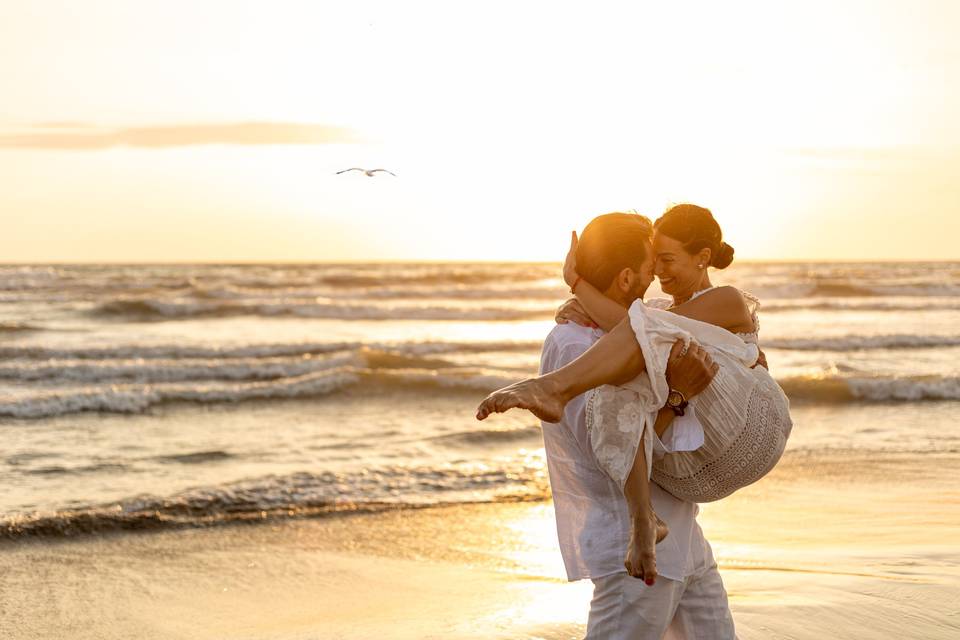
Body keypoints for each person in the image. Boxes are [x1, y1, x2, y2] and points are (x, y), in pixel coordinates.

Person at [476, 205, 792, 593]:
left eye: (668, 258)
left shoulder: (726, 299)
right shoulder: (652, 316)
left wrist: (578, 285)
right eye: (654, 259)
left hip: (755, 428)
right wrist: (675, 396)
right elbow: (635, 328)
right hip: (683, 517)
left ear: (703, 258)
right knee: (629, 376)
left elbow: (635, 327)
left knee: (636, 354)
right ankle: (644, 518)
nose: (658, 270)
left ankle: (553, 388)